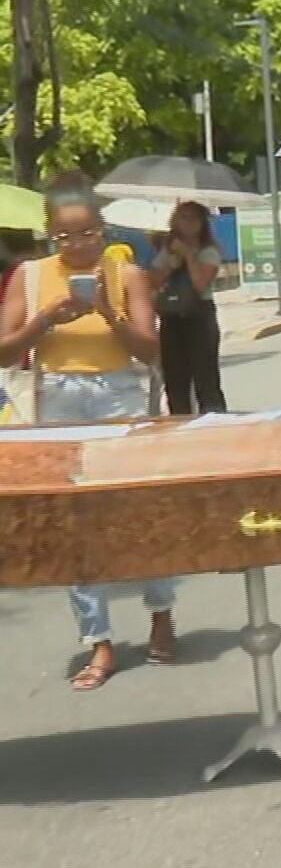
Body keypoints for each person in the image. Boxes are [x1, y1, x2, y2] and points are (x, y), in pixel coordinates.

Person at [0, 173, 171, 689]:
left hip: (119, 393)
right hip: (57, 396)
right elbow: (5, 351)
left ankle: (161, 612)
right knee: (75, 522)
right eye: (66, 237)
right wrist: (45, 320)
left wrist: (108, 314)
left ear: (102, 229)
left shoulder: (127, 274)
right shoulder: (30, 278)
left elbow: (149, 349)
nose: (78, 245)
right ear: (50, 236)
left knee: (138, 509)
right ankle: (97, 639)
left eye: (89, 234)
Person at [152, 201, 227, 415]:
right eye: (183, 217)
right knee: (175, 380)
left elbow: (201, 283)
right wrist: (170, 263)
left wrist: (189, 255)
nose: (188, 223)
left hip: (199, 316)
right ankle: (180, 422)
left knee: (206, 379)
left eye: (193, 218)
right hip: (172, 317)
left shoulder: (209, 251)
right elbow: (152, 280)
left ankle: (215, 423)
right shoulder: (167, 250)